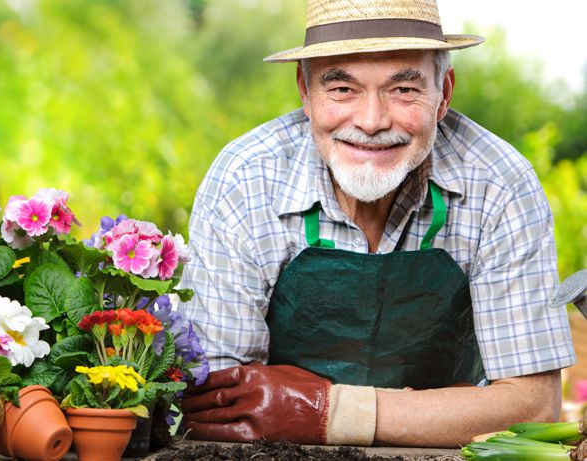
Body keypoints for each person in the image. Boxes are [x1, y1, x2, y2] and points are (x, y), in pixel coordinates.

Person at [179, 0, 576, 448]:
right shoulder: (245, 180)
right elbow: (217, 405)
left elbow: (534, 408)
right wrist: (449, 410)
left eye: (403, 90)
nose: (371, 122)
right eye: (343, 89)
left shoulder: (500, 184)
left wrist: (329, 410)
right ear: (305, 92)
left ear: (443, 93)